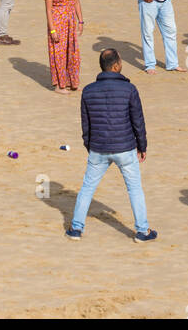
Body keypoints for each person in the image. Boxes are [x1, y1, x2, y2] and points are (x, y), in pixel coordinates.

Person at [66, 48, 156, 242]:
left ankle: (76, 228)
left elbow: (85, 124)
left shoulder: (88, 91)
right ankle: (142, 231)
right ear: (116, 66)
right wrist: (142, 146)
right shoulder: (129, 89)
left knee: (87, 188)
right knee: (134, 189)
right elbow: (138, 121)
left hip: (98, 148)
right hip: (125, 148)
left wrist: (89, 145)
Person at [45, 0, 83, 92]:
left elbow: (76, 2)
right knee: (59, 54)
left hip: (71, 22)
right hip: (57, 23)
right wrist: (53, 30)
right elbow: (48, 11)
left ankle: (72, 82)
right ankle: (59, 85)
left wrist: (81, 21)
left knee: (72, 52)